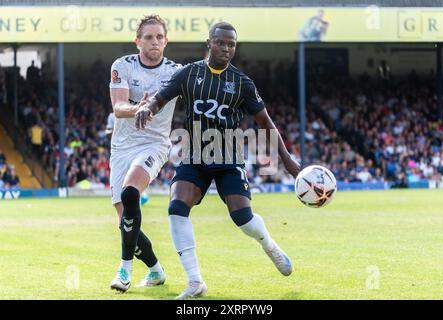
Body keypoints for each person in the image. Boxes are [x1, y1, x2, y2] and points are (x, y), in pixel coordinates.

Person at [135, 22, 301, 299]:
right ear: (209, 43)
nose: (226, 48)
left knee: (243, 219)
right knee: (176, 207)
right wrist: (147, 108)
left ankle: (269, 245)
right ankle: (195, 281)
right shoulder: (189, 74)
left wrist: (287, 160)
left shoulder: (243, 83)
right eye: (221, 42)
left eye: (231, 44)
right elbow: (160, 98)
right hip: (195, 156)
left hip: (228, 157)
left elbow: (266, 123)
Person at [109, 14, 182, 292]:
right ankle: (155, 271)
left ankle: (124, 271)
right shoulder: (122, 66)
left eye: (159, 37)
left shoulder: (177, 72)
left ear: (166, 41)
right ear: (137, 41)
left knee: (130, 193)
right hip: (122, 146)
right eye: (148, 37)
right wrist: (139, 108)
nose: (154, 41)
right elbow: (118, 107)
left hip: (154, 144)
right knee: (124, 221)